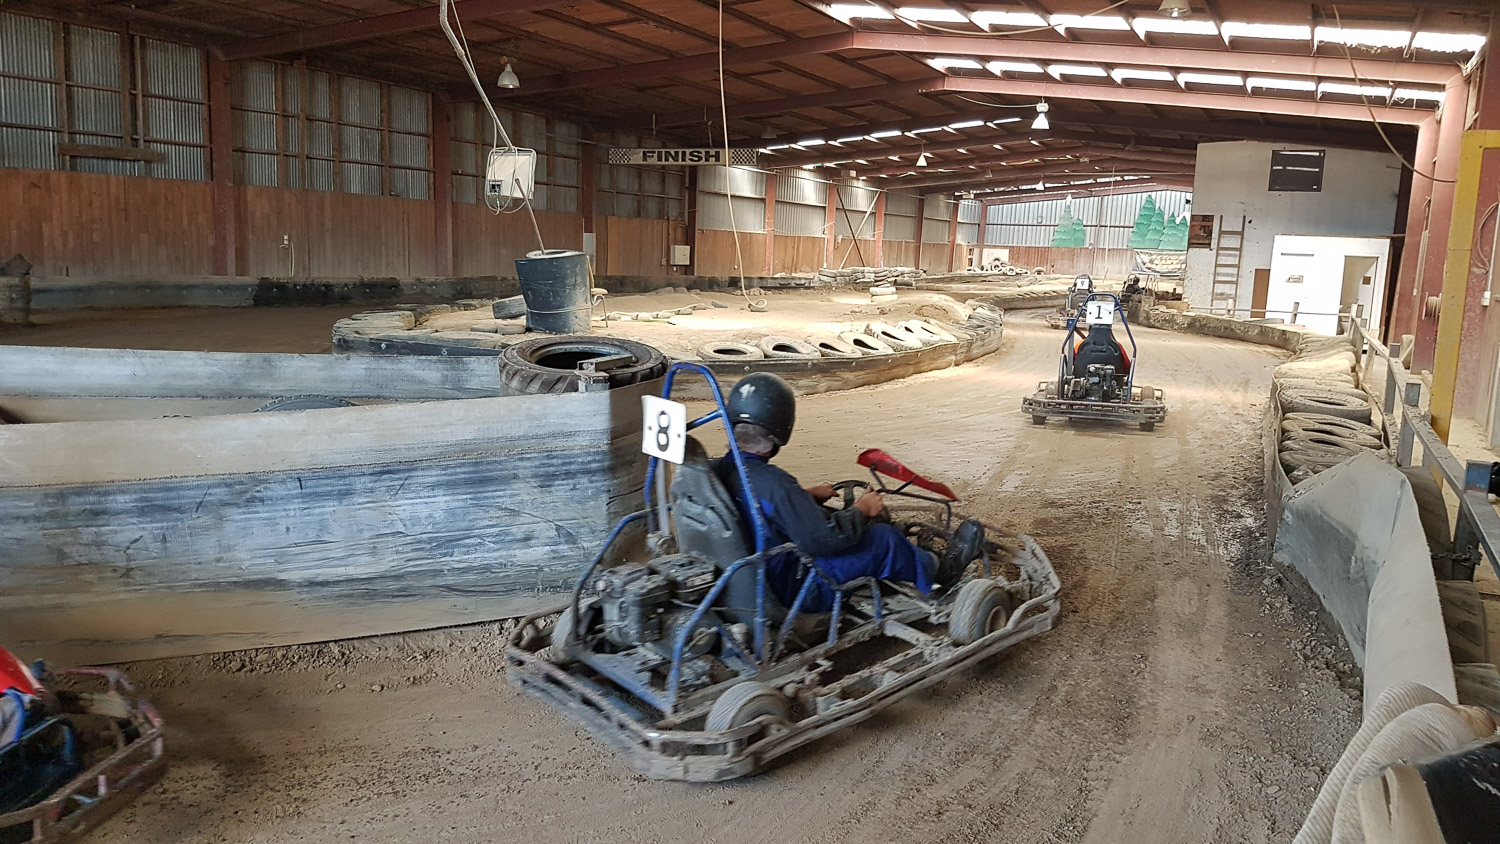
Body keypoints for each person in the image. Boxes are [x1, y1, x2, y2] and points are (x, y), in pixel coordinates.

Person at [713, 373, 984, 613]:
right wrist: (862, 510)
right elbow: (823, 541)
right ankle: (941, 571)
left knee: (844, 524)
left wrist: (804, 497)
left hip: (754, 578)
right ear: (781, 427)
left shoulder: (723, 470)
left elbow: (758, 505)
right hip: (797, 587)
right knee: (884, 539)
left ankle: (898, 567)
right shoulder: (775, 483)